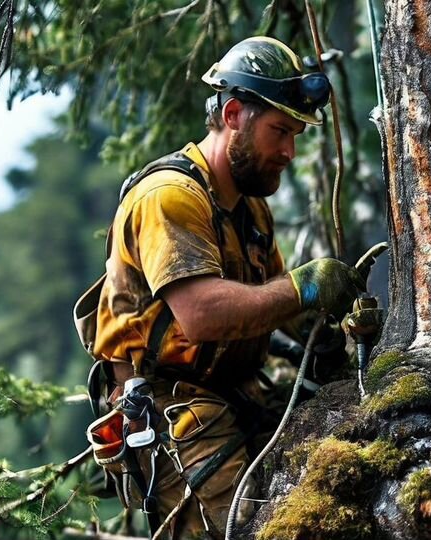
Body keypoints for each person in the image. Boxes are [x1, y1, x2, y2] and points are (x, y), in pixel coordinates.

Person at [83, 36, 365, 539]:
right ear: (234, 114)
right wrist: (304, 287)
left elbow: (270, 300)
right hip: (173, 410)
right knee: (260, 528)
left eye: (296, 134)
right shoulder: (170, 198)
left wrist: (331, 331)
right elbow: (203, 314)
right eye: (280, 131)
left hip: (236, 392)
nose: (288, 151)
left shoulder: (249, 207)